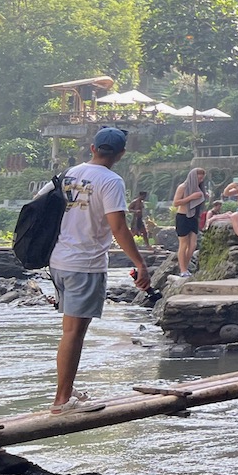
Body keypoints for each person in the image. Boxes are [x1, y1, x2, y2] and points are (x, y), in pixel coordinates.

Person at [46, 127, 151, 413]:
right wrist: (140, 264)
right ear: (121, 154)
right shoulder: (111, 181)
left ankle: (66, 389)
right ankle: (62, 400)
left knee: (69, 330)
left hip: (59, 260)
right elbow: (118, 226)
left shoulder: (69, 173)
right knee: (74, 332)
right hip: (86, 264)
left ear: (92, 148)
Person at [171, 166, 207, 276]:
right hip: (183, 216)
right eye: (198, 179)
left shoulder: (199, 189)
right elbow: (176, 203)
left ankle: (185, 267)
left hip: (194, 217)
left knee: (193, 245)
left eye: (201, 179)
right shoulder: (183, 187)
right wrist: (191, 197)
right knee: (184, 244)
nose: (200, 181)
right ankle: (182, 270)